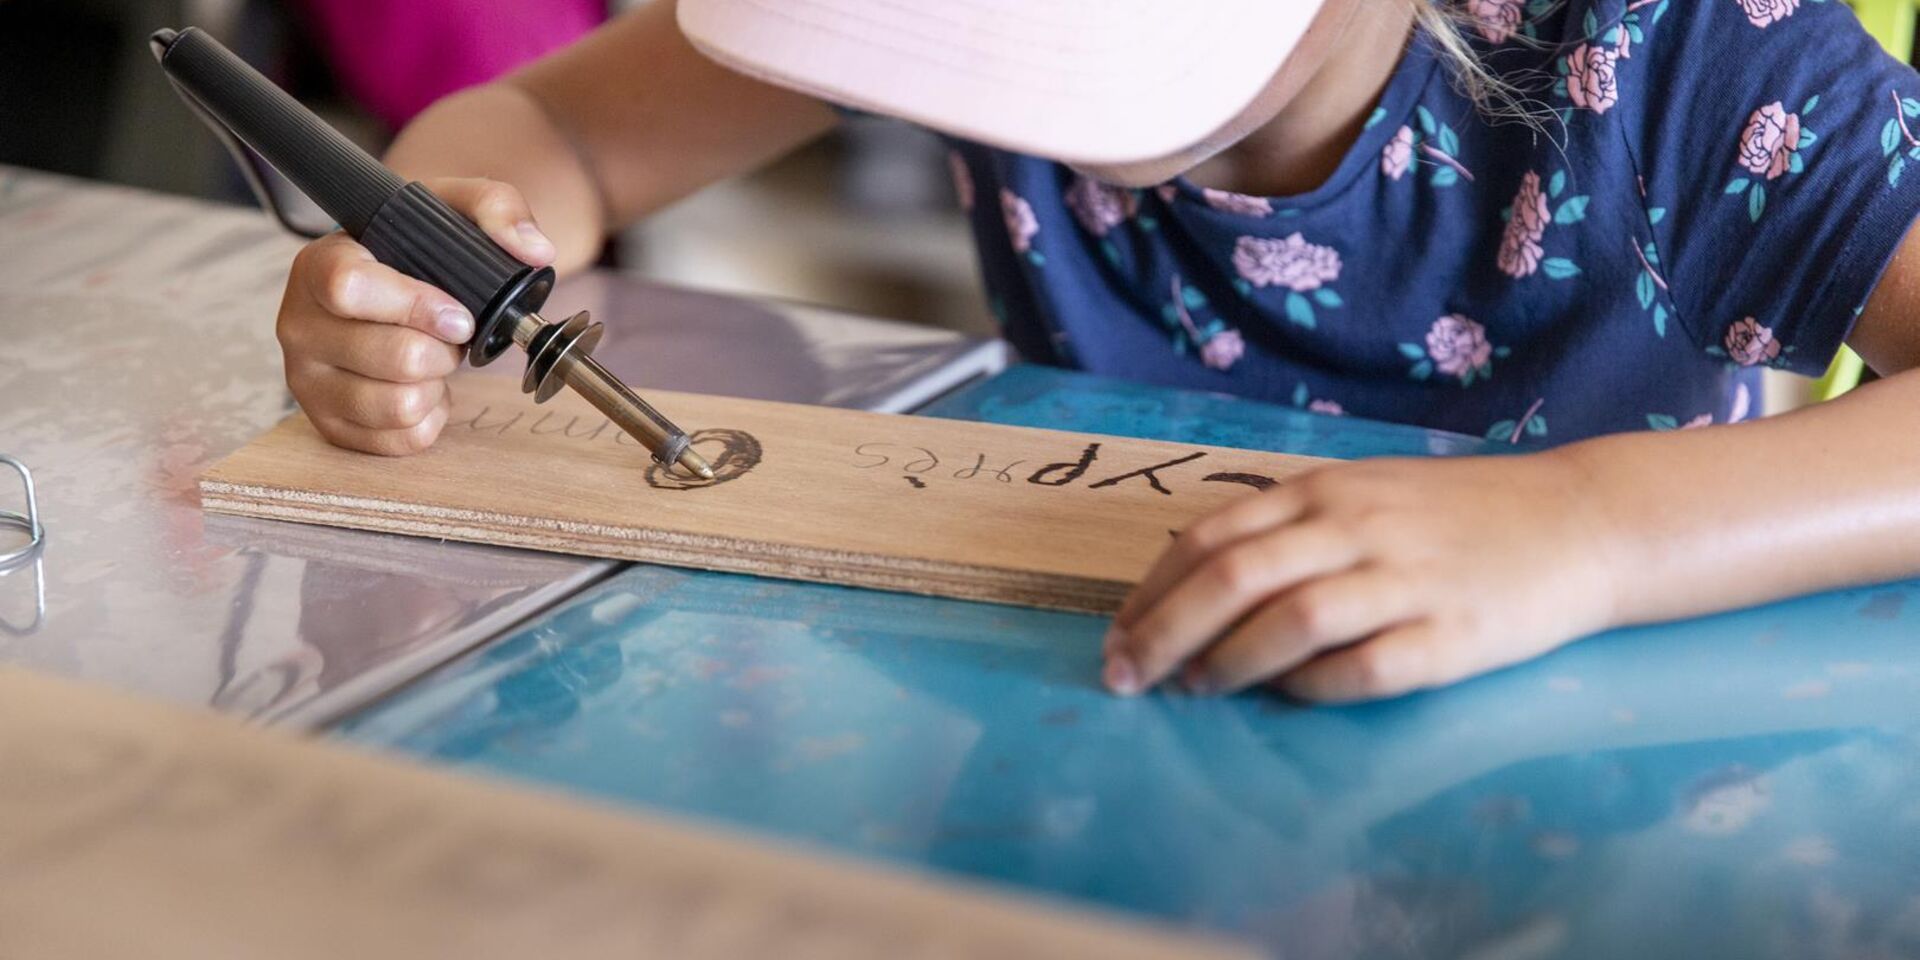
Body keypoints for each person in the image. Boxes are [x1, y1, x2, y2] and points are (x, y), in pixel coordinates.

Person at [271, 0, 1920, 703]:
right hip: (1084, 709)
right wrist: (447, 244)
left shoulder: (1697, 63)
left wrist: (1587, 532)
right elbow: (559, 112)